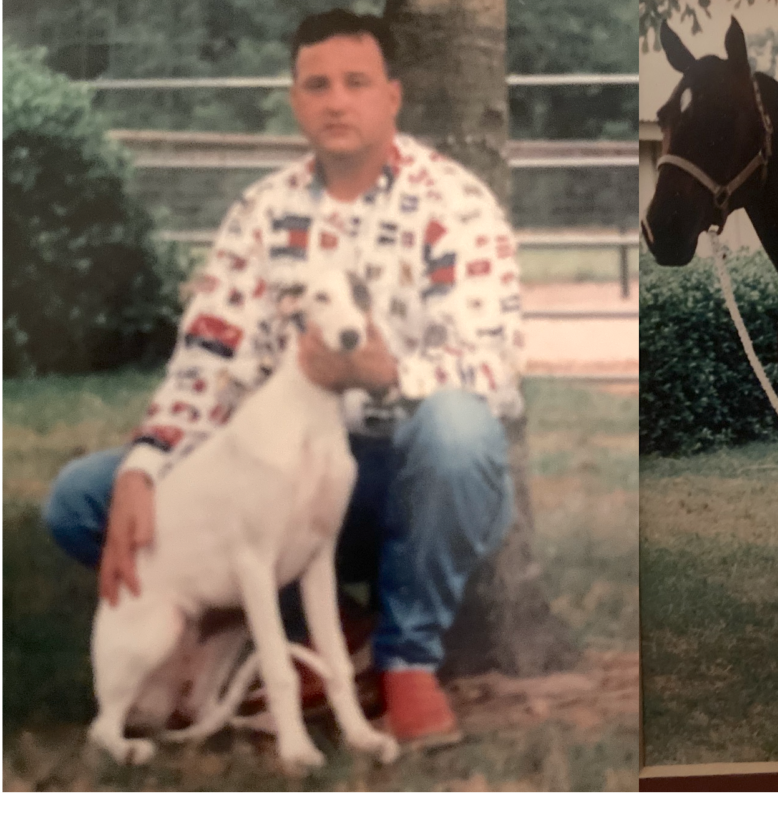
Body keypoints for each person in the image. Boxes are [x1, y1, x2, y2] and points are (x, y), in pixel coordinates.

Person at [42, 9, 525, 748]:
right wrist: (145, 463)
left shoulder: (454, 204)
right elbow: (206, 360)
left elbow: (491, 367)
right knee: (85, 498)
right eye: (317, 85)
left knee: (459, 428)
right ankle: (328, 638)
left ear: (391, 96)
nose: (337, 101)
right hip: (273, 480)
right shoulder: (261, 213)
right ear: (296, 100)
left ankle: (405, 662)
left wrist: (383, 370)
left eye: (356, 83)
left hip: (408, 479)